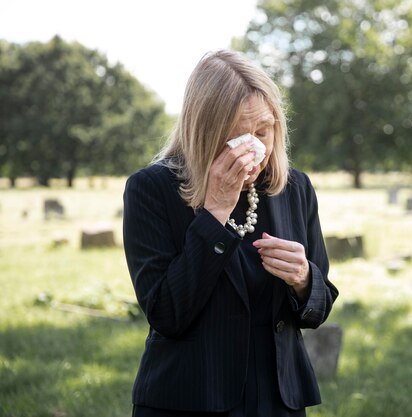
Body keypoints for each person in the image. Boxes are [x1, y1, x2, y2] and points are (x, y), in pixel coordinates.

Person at [122, 50, 339, 417]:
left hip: (278, 399)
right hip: (189, 399)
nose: (255, 147)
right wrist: (215, 212)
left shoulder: (293, 188)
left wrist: (303, 279)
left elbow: (318, 309)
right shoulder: (151, 189)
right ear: (203, 130)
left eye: (263, 131)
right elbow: (166, 314)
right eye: (237, 134)